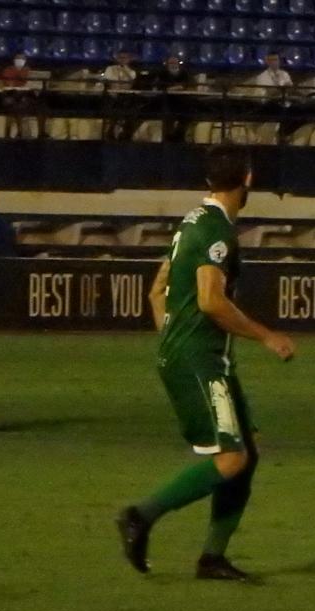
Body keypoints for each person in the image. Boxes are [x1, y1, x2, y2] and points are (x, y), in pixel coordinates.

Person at [116, 146, 296, 582]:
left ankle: (212, 558)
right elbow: (211, 301)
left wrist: (172, 340)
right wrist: (266, 335)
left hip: (198, 355)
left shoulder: (191, 223)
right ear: (247, 180)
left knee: (247, 452)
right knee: (232, 459)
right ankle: (140, 515)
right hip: (200, 360)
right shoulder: (216, 231)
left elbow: (157, 290)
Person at [252, 52, 297, 143]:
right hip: (268, 104)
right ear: (267, 62)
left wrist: (280, 89)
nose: (274, 62)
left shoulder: (285, 74)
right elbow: (270, 92)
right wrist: (283, 89)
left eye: (275, 60)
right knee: (278, 108)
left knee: (296, 110)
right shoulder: (262, 76)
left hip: (285, 103)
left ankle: (284, 134)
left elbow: (290, 89)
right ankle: (280, 135)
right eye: (271, 60)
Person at [0, 53, 44, 139]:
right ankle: (19, 132)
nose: (20, 61)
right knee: (18, 105)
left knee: (41, 107)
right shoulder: (8, 70)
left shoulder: (28, 71)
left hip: (27, 95)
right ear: (14, 60)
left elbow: (32, 84)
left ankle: (41, 133)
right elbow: (8, 85)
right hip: (12, 95)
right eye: (18, 58)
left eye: (22, 59)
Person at [151, 55, 193, 142]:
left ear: (179, 63)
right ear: (167, 64)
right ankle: (168, 139)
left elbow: (189, 85)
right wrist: (169, 89)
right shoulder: (162, 74)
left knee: (188, 114)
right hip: (166, 101)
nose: (173, 64)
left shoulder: (185, 73)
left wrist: (181, 88)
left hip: (182, 101)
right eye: (171, 63)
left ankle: (179, 137)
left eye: (175, 63)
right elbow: (157, 87)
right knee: (168, 116)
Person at [101, 50, 138, 141]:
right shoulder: (110, 68)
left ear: (129, 60)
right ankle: (110, 134)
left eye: (125, 58)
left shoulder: (132, 72)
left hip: (125, 98)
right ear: (117, 59)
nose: (122, 60)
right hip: (112, 96)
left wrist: (124, 70)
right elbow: (111, 83)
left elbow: (131, 82)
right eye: (120, 58)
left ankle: (125, 135)